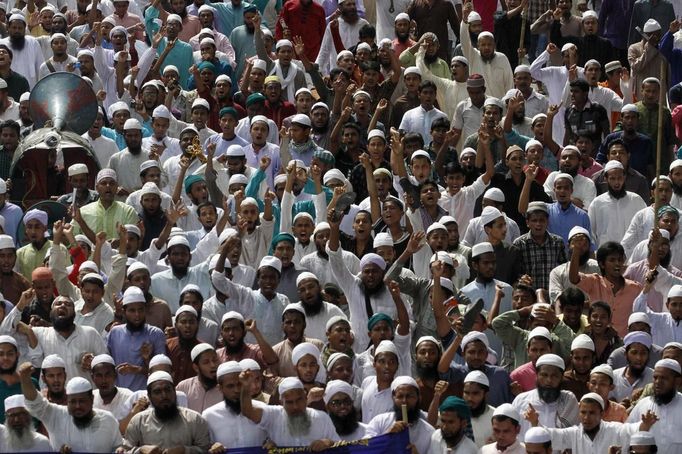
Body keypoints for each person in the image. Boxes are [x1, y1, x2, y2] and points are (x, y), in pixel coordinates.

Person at [18, 362, 122, 452]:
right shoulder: (56, 416)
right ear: (67, 401)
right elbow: (35, 403)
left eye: (82, 401)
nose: (77, 406)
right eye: (72, 402)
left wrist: (121, 449)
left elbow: (118, 447)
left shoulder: (108, 419)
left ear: (92, 399)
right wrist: (25, 378)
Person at [122, 371, 212, 452]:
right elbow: (125, 450)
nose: (164, 396)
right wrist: (140, 450)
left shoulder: (194, 419)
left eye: (168, 390)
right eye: (157, 392)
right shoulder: (138, 421)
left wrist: (185, 450)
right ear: (149, 396)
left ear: (174, 392)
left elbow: (206, 450)